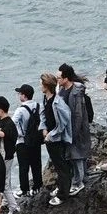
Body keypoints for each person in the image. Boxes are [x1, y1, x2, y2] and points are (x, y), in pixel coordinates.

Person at [59, 65, 91, 193]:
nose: (57, 80)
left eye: (59, 78)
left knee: (76, 155)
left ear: (66, 78)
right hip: (69, 128)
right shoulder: (62, 90)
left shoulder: (76, 92)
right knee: (78, 154)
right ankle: (82, 178)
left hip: (76, 128)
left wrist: (74, 131)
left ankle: (78, 182)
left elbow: (78, 114)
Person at [42, 71, 72, 204]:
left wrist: (51, 134)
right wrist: (43, 128)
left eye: (41, 84)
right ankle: (61, 187)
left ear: (46, 86)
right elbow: (44, 115)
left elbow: (64, 121)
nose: (40, 87)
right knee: (57, 165)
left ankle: (63, 194)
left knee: (62, 167)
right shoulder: (46, 99)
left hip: (57, 139)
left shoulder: (57, 102)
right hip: (49, 137)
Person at [12, 83, 43, 196]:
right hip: (35, 140)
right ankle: (37, 186)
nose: (19, 95)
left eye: (19, 93)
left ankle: (24, 190)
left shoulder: (20, 110)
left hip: (23, 141)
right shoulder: (38, 106)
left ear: (24, 96)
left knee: (24, 167)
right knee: (36, 164)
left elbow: (12, 123)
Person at [0, 96, 20, 210]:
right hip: (5, 156)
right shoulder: (1, 122)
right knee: (6, 180)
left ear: (1, 111)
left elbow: (2, 134)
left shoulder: (9, 124)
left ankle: (14, 207)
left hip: (7, 157)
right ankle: (6, 201)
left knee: (5, 184)